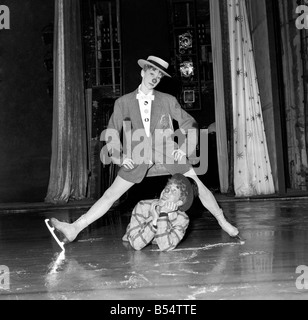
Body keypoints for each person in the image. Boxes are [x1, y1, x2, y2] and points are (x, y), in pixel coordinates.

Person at [48, 55, 241, 247]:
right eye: (152, 72)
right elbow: (112, 130)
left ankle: (222, 221)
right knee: (110, 195)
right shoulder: (123, 102)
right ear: (143, 72)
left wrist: (184, 149)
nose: (155, 77)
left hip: (167, 153)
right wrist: (119, 156)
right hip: (138, 155)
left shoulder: (168, 100)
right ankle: (74, 229)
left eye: (159, 75)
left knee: (199, 185)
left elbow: (189, 122)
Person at [123, 173, 198, 251]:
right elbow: (136, 244)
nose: (166, 192)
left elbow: (165, 247)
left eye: (174, 191)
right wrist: (154, 221)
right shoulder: (143, 206)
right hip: (136, 236)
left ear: (179, 202)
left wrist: (163, 214)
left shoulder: (182, 219)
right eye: (167, 188)